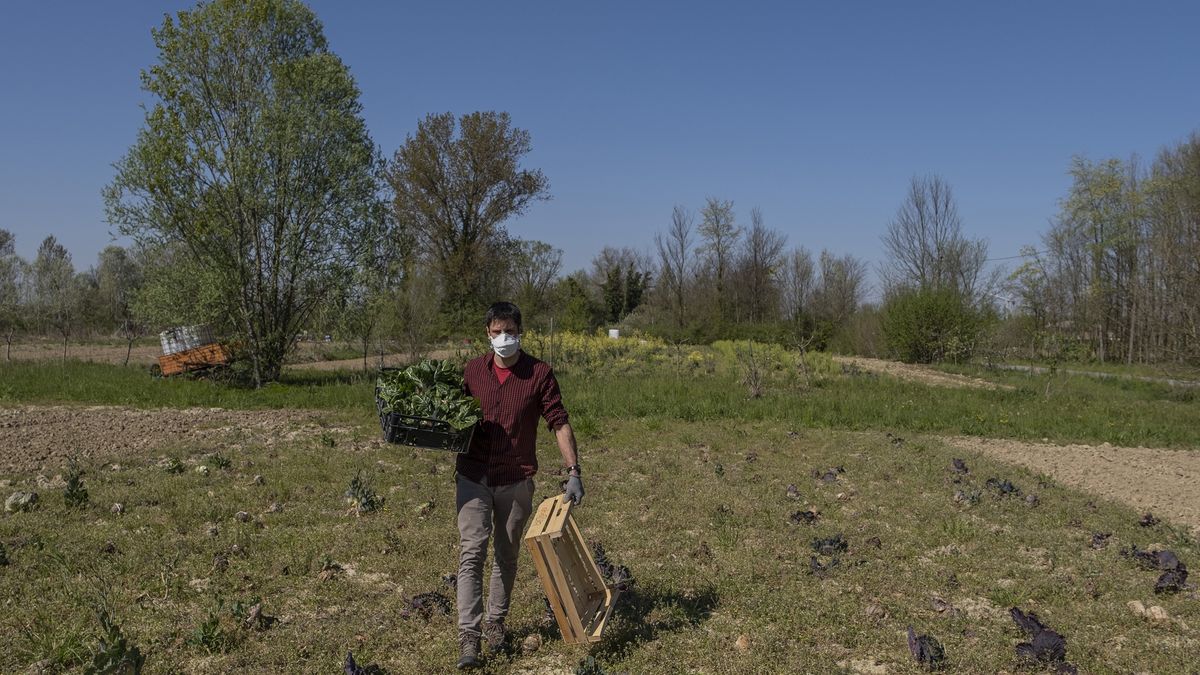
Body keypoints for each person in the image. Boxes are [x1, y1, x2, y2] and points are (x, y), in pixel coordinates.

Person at [454, 301, 584, 669]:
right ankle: (470, 636)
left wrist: (573, 470)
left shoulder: (539, 374)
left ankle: (495, 622)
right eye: (497, 332)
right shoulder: (473, 372)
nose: (504, 339)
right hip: (473, 475)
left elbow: (558, 421)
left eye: (510, 332)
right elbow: (452, 416)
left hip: (516, 478)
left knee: (506, 554)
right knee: (472, 551)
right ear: (487, 334)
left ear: (520, 332)